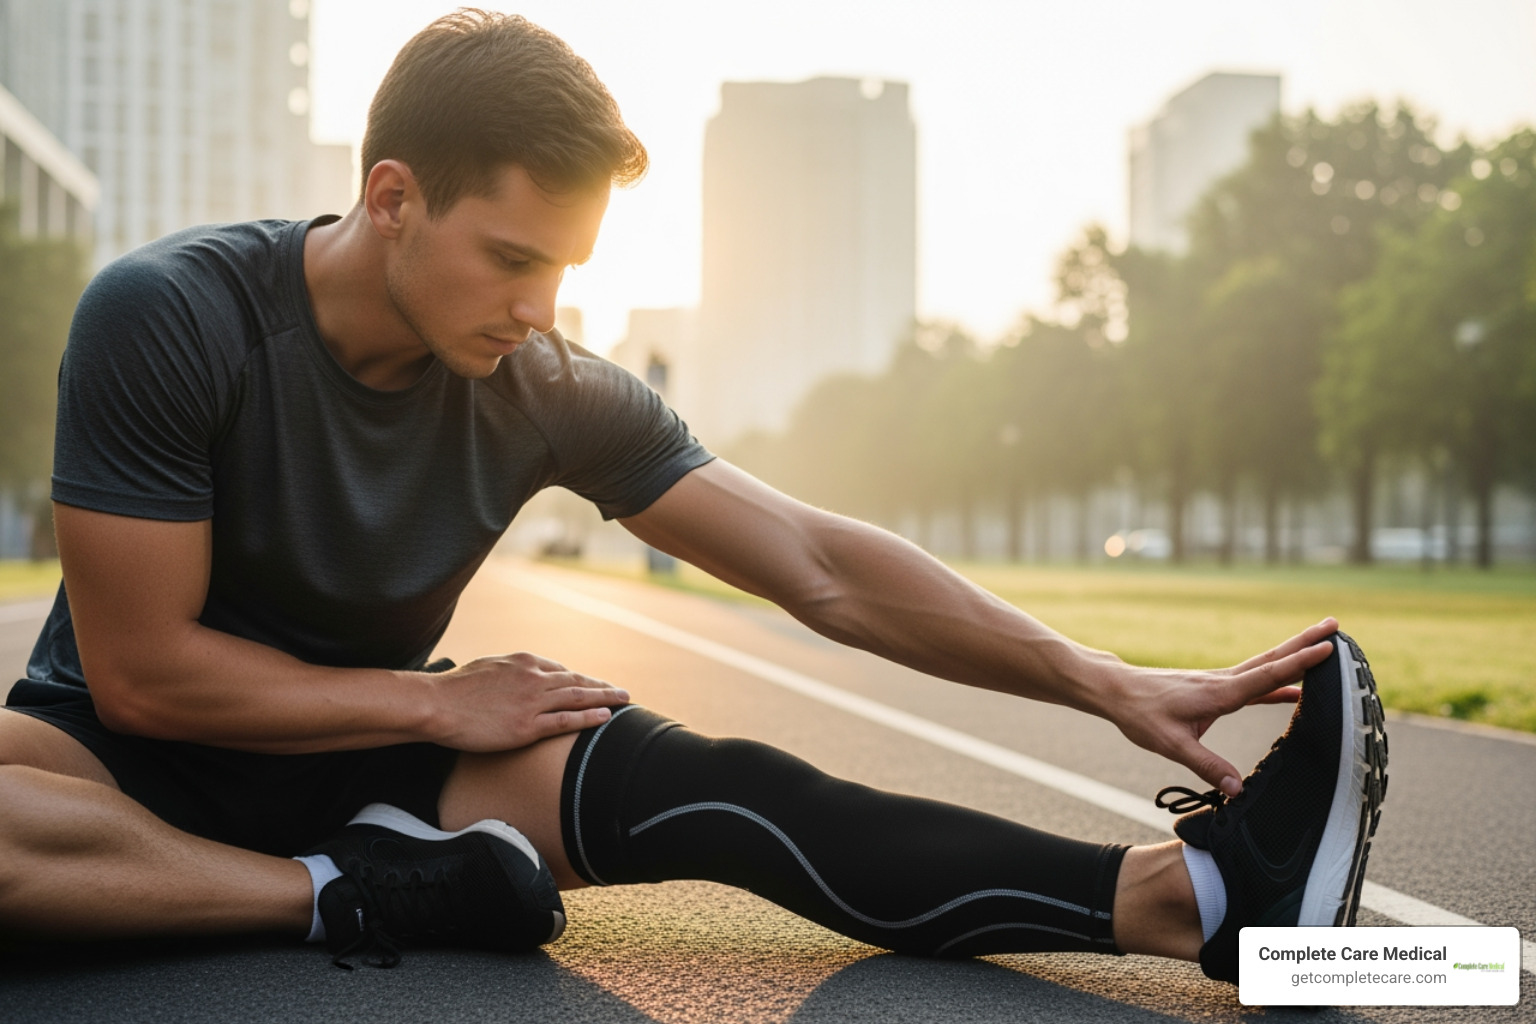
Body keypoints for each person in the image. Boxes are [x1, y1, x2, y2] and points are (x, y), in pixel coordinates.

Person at [0, 9, 1385, 985]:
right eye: (510, 259)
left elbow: (816, 562)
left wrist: (1102, 681)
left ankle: (1200, 901)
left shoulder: (540, 377)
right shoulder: (169, 315)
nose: (541, 309)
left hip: (368, 768)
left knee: (718, 791)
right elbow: (143, 679)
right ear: (392, 197)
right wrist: (432, 699)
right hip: (106, 766)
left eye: (567, 271)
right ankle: (337, 895)